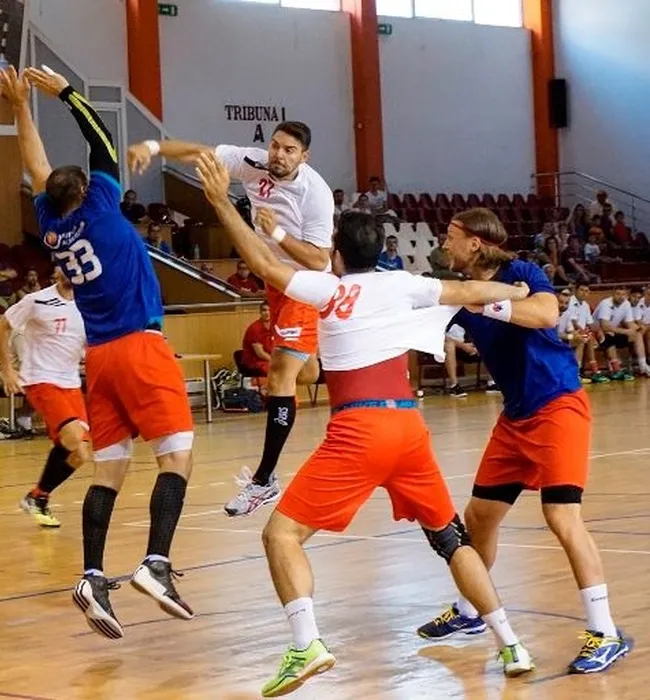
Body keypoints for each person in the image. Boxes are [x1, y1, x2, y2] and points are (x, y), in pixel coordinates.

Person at [196, 153, 534, 696]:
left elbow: (262, 263)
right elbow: (472, 291)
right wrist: (517, 293)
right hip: (409, 429)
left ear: (337, 253)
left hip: (359, 431)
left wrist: (219, 202)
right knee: (451, 539)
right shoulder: (405, 282)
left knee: (281, 535)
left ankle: (306, 644)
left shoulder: (327, 289)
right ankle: (512, 643)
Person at [0, 65, 196, 639]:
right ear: (86, 191)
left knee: (109, 469)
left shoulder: (50, 223)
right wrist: (64, 92)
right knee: (176, 458)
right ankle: (155, 563)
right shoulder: (102, 207)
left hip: (100, 359)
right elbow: (102, 140)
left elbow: (35, 165)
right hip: (138, 345)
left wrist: (19, 107)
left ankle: (90, 576)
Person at [418, 207, 632, 674]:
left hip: (558, 405)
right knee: (479, 517)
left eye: (451, 236)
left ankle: (606, 632)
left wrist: (487, 302)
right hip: (515, 418)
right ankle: (471, 610)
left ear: (475, 242)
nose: (444, 243)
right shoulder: (458, 291)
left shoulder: (522, 272)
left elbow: (545, 313)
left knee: (561, 516)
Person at [128, 119, 332, 519]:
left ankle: (264, 480)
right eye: (276, 146)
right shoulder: (253, 162)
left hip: (303, 282)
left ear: (304, 157)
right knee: (305, 373)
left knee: (279, 376)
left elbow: (319, 259)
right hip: (274, 279)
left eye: (289, 150)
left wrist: (278, 236)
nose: (279, 154)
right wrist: (152, 147)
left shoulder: (316, 194)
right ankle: (326, 359)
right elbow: (199, 153)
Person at [0, 268, 89, 528]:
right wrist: (7, 369)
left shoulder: (88, 303)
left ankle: (38, 497)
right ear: (56, 270)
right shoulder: (37, 300)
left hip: (71, 382)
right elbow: (1, 327)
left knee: (80, 455)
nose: (71, 270)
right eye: (64, 266)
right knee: (73, 436)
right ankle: (37, 498)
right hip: (41, 379)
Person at [240, 301, 274, 376]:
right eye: (264, 310)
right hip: (256, 361)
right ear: (260, 312)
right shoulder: (255, 328)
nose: (267, 313)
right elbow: (260, 353)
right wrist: (276, 361)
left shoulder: (275, 326)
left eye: (270, 310)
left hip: (269, 359)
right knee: (277, 370)